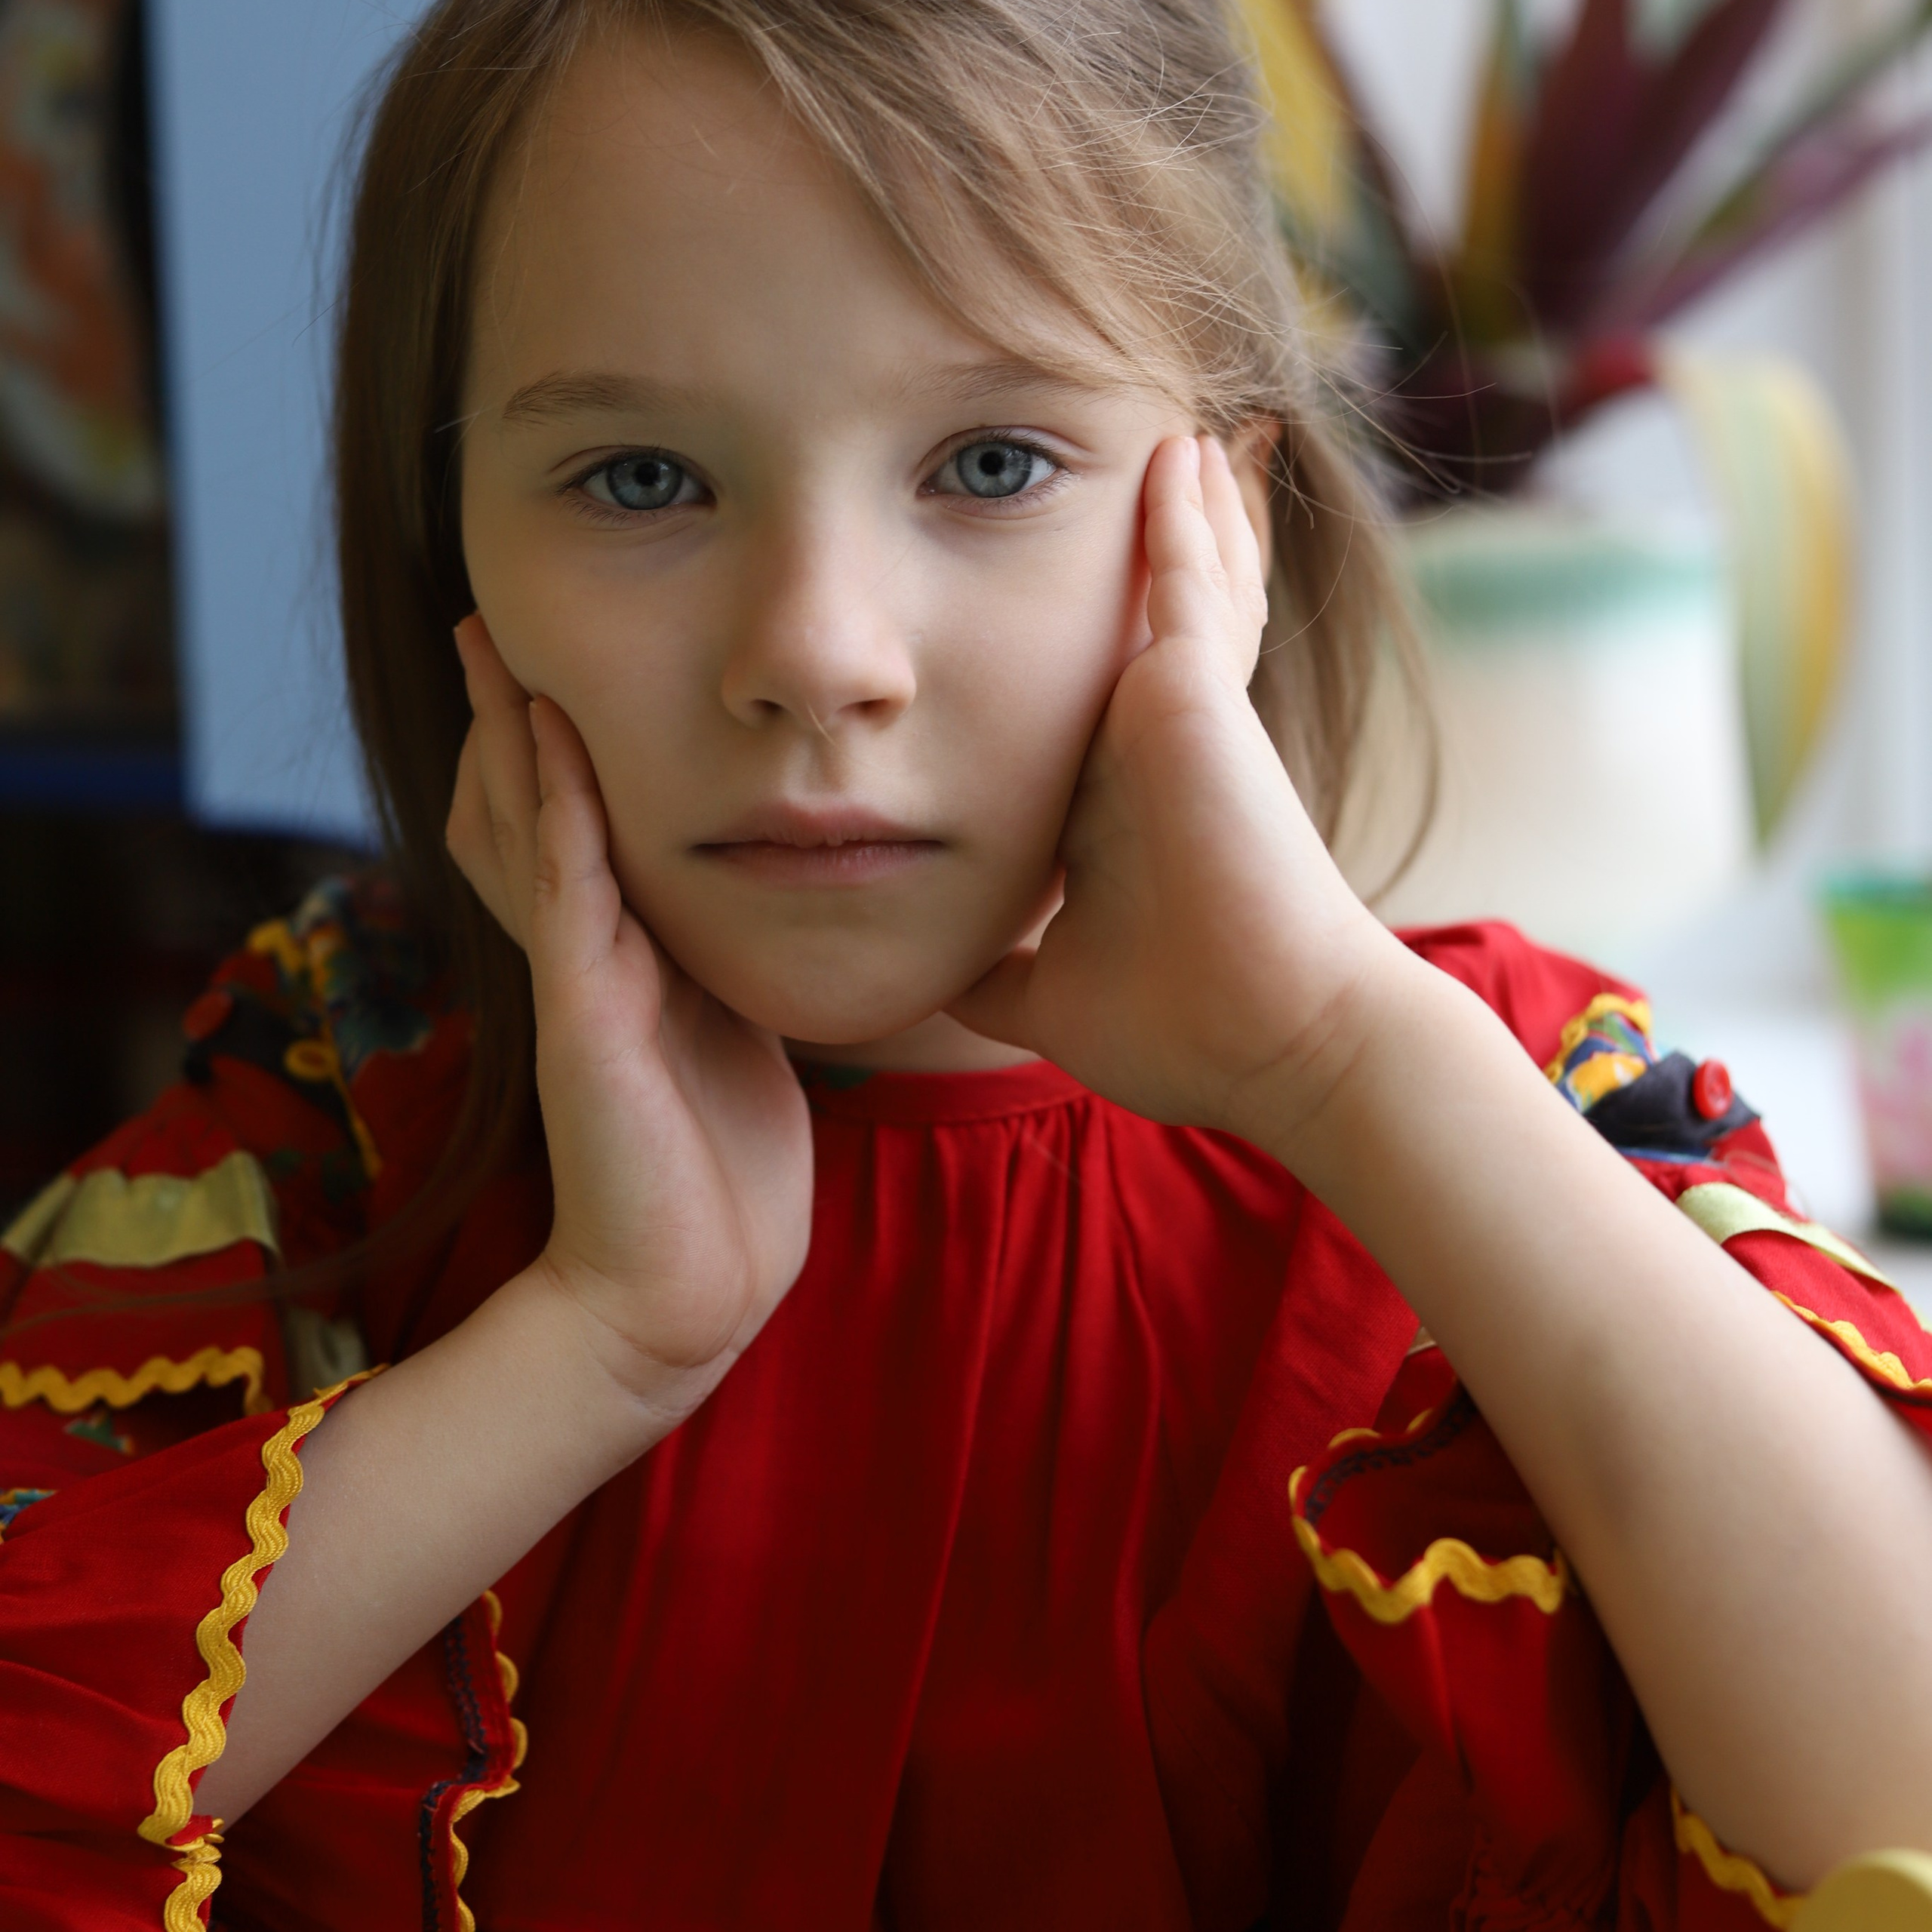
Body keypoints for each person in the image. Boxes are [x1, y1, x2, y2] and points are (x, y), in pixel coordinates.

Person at [3, 2, 1930, 1925]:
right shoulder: (332, 1105)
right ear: (454, 559)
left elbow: (1885, 1811)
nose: (820, 649)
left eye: (992, 462)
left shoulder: (1509, 1105)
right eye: (639, 478)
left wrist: (1340, 1061)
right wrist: (602, 1337)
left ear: (1221, 526)